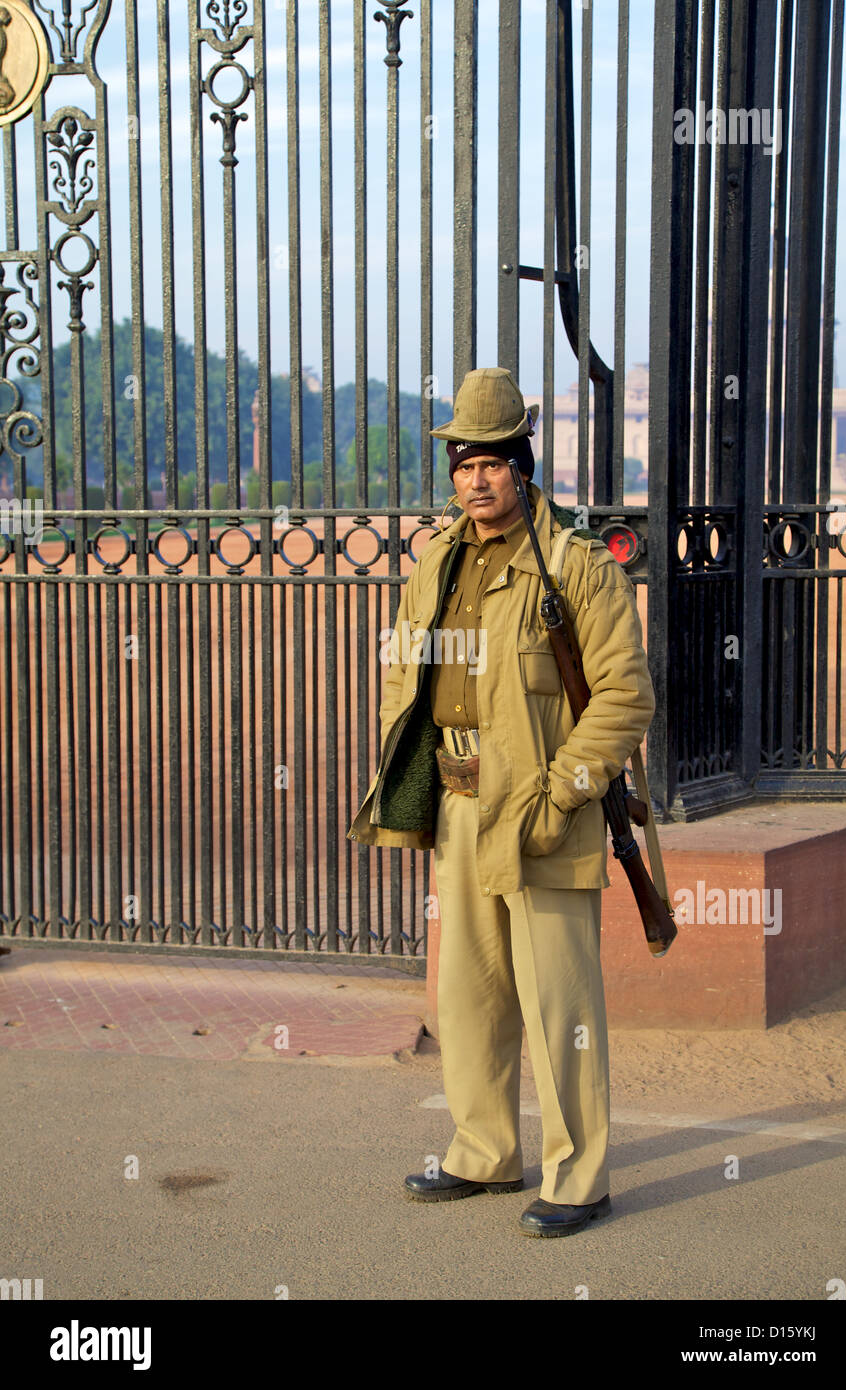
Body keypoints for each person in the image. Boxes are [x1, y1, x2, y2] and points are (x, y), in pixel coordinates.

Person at [348, 367, 655, 1237]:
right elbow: (405, 669)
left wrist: (563, 796)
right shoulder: (439, 560)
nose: (475, 478)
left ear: (522, 465)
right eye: (462, 463)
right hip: (459, 802)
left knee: (560, 1004)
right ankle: (484, 1151)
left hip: (543, 812)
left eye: (491, 461)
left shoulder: (574, 567)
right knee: (470, 995)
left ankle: (579, 1174)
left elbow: (624, 700)